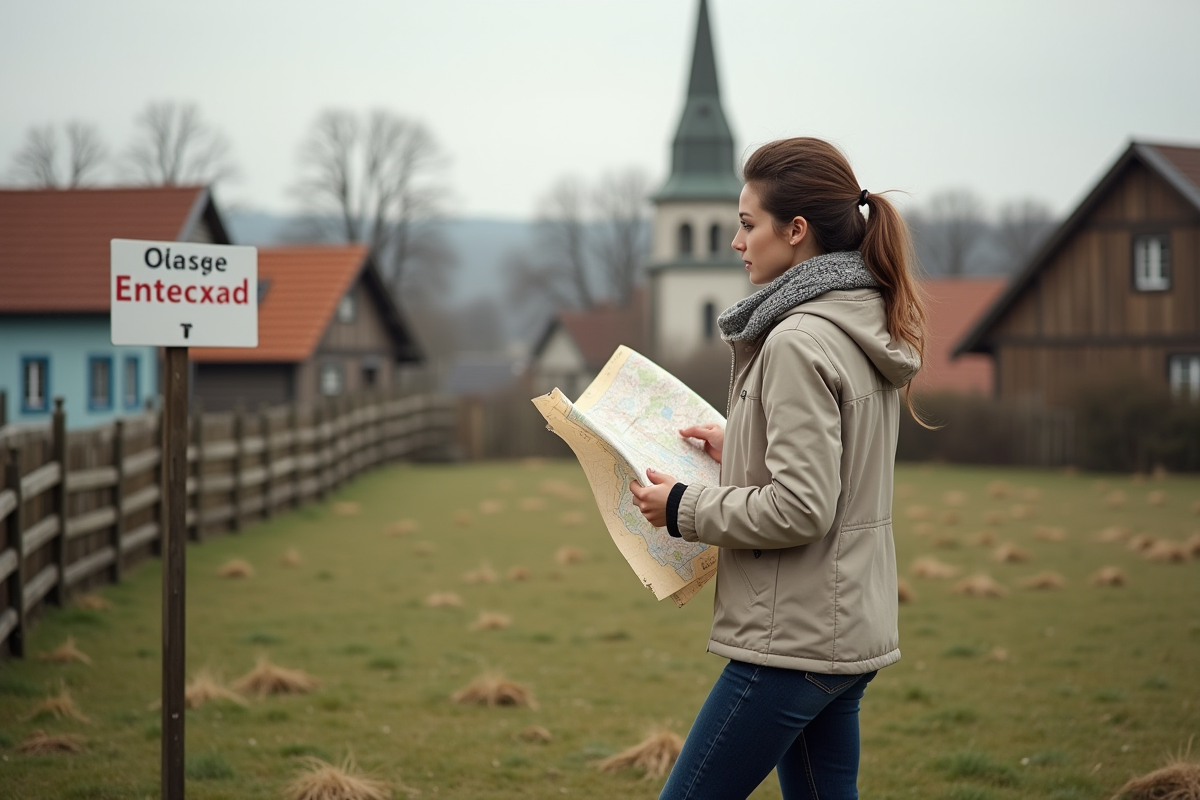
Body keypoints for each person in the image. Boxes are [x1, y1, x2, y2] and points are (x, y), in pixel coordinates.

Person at [630, 137, 927, 800]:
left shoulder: (796, 339)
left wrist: (681, 506)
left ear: (795, 231)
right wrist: (740, 443)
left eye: (747, 224)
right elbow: (838, 465)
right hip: (846, 627)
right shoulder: (860, 318)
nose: (737, 242)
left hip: (793, 639)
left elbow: (801, 507)